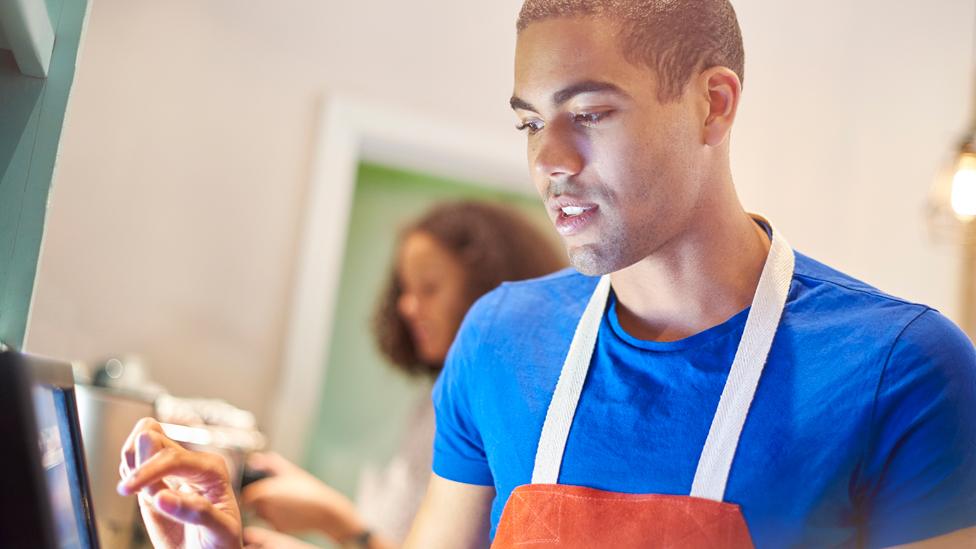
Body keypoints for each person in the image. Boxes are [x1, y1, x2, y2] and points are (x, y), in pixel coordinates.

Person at [118, 1, 976, 547]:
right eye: (531, 123)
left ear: (714, 104)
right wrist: (227, 541)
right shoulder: (500, 337)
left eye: (590, 113)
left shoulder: (901, 369)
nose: (549, 163)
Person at [116, 201, 564, 549]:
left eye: (429, 288)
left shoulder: (512, 422)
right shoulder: (430, 408)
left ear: (486, 292)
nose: (408, 306)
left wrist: (336, 520)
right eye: (405, 290)